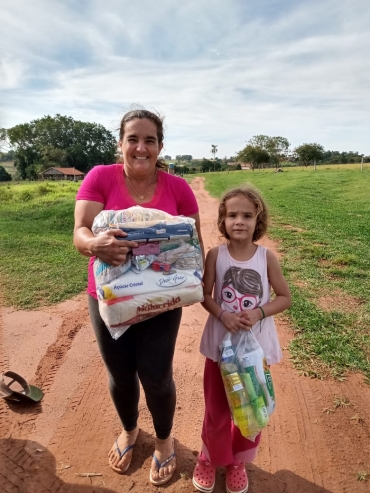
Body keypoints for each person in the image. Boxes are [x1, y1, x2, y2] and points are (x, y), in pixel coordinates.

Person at [73, 109, 204, 486]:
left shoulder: (178, 188)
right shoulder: (100, 177)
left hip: (162, 303)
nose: (141, 147)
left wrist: (200, 286)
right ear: (121, 143)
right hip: (109, 298)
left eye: (150, 140)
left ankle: (163, 440)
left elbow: (195, 248)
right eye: (133, 138)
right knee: (120, 374)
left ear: (161, 146)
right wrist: (95, 245)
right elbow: (80, 231)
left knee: (157, 376)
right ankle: (130, 429)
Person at [192, 186, 291, 493]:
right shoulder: (215, 256)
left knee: (252, 407)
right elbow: (204, 296)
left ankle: (239, 460)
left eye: (247, 215)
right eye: (232, 215)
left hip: (254, 354)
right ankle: (210, 457)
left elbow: (284, 297)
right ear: (222, 219)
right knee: (218, 409)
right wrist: (223, 315)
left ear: (257, 219)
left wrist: (260, 312)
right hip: (220, 352)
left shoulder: (266, 258)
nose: (239, 221)